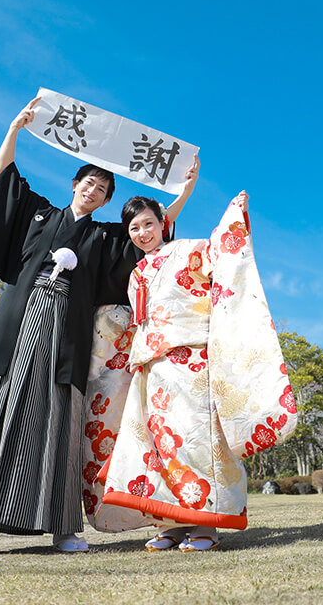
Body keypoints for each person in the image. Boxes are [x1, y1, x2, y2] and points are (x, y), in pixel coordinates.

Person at [0, 96, 196, 556]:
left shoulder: (103, 237)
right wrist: (14, 130)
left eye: (103, 188)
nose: (95, 190)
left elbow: (149, 232)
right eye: (89, 182)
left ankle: (64, 529)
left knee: (62, 427)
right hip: (19, 326)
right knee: (0, 421)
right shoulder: (40, 214)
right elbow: (4, 182)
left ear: (106, 199)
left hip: (67, 336)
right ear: (76, 184)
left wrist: (183, 192)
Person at [79, 187, 297, 551]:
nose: (143, 233)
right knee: (158, 446)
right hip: (152, 367)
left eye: (148, 223)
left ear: (163, 224)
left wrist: (231, 219)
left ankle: (205, 526)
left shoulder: (190, 249)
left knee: (195, 440)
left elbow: (222, 256)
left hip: (192, 358)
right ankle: (171, 523)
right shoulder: (137, 274)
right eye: (134, 228)